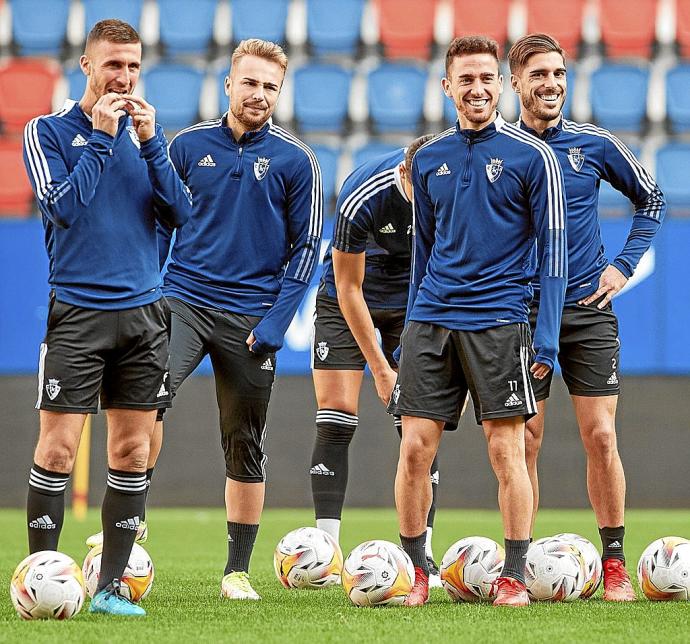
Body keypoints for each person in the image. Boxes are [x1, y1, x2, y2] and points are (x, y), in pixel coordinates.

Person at [389, 35, 568, 607]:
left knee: (505, 452)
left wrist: (546, 339)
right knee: (415, 449)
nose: (477, 88)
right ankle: (416, 571)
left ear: (501, 84)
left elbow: (554, 257)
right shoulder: (430, 158)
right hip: (432, 322)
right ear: (448, 87)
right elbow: (422, 252)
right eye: (465, 79)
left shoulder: (530, 157)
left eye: (487, 78)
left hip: (499, 322)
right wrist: (411, 331)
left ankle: (513, 574)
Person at [22, 19, 191, 616]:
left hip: (144, 316)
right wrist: (100, 138)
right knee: (59, 449)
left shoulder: (147, 138)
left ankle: (112, 590)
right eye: (113, 65)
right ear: (87, 67)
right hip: (78, 313)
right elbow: (62, 209)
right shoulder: (46, 130)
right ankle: (40, 578)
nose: (123, 77)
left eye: (133, 67)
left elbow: (181, 214)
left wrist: (149, 145)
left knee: (131, 452)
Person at [154, 39, 321, 600]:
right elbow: (157, 222)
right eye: (249, 83)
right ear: (229, 84)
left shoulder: (298, 161)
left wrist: (277, 320)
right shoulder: (188, 146)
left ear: (280, 92)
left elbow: (306, 248)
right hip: (182, 299)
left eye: (270, 86)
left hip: (251, 318)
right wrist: (150, 289)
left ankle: (236, 572)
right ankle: (124, 540)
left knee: (245, 441)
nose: (259, 94)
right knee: (147, 402)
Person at [508, 33, 666, 601]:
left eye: (559, 74)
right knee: (526, 438)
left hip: (588, 309)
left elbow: (651, 199)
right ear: (516, 83)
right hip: (524, 312)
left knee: (600, 434)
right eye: (539, 75)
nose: (551, 84)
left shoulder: (593, 144)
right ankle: (521, 563)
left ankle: (616, 564)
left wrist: (622, 265)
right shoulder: (499, 150)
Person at [310, 135, 449, 586]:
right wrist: (382, 368)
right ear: (405, 174)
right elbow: (348, 287)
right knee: (336, 415)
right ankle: (325, 551)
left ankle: (421, 550)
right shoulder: (363, 195)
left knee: (418, 427)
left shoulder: (449, 191)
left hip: (415, 301)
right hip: (351, 297)